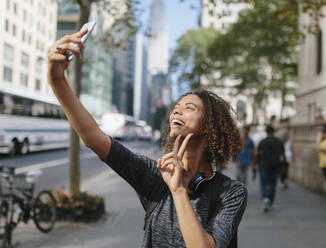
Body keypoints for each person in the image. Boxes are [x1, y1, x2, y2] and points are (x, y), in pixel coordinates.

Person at [47, 29, 247, 247]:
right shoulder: (155, 177)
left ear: (210, 126)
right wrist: (57, 80)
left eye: (188, 108)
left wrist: (178, 189)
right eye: (176, 108)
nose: (176, 112)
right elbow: (93, 138)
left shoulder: (231, 192)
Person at [253, 125, 286, 212]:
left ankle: (264, 198)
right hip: (276, 166)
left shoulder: (262, 142)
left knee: (263, 184)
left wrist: (254, 166)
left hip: (264, 165)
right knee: (273, 185)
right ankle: (270, 203)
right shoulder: (279, 142)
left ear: (266, 132)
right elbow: (283, 156)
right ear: (273, 132)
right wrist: (284, 167)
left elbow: (256, 154)